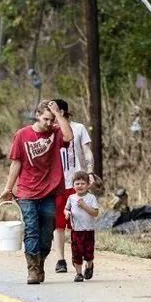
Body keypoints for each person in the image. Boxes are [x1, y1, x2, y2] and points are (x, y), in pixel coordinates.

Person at [1, 100, 74, 284]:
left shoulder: (56, 132)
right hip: (27, 191)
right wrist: (9, 188)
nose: (49, 123)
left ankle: (40, 262)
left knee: (47, 232)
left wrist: (58, 114)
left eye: (52, 120)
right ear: (37, 115)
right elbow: (16, 162)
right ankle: (32, 269)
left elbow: (69, 136)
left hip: (50, 191)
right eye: (46, 119)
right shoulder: (22, 134)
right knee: (32, 230)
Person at [49, 99, 96, 274]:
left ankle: (85, 258)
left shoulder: (79, 128)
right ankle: (61, 260)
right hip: (58, 184)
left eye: (54, 111)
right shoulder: (50, 130)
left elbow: (87, 151)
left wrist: (90, 172)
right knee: (59, 224)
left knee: (80, 223)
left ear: (62, 111)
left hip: (78, 183)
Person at [64, 171, 100, 282]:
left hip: (88, 230)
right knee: (77, 253)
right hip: (76, 230)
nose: (80, 186)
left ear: (88, 184)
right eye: (77, 183)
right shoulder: (71, 198)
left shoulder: (91, 198)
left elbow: (95, 213)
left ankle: (89, 266)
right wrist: (67, 213)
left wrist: (84, 206)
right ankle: (78, 274)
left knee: (88, 253)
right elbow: (66, 209)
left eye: (83, 183)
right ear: (73, 185)